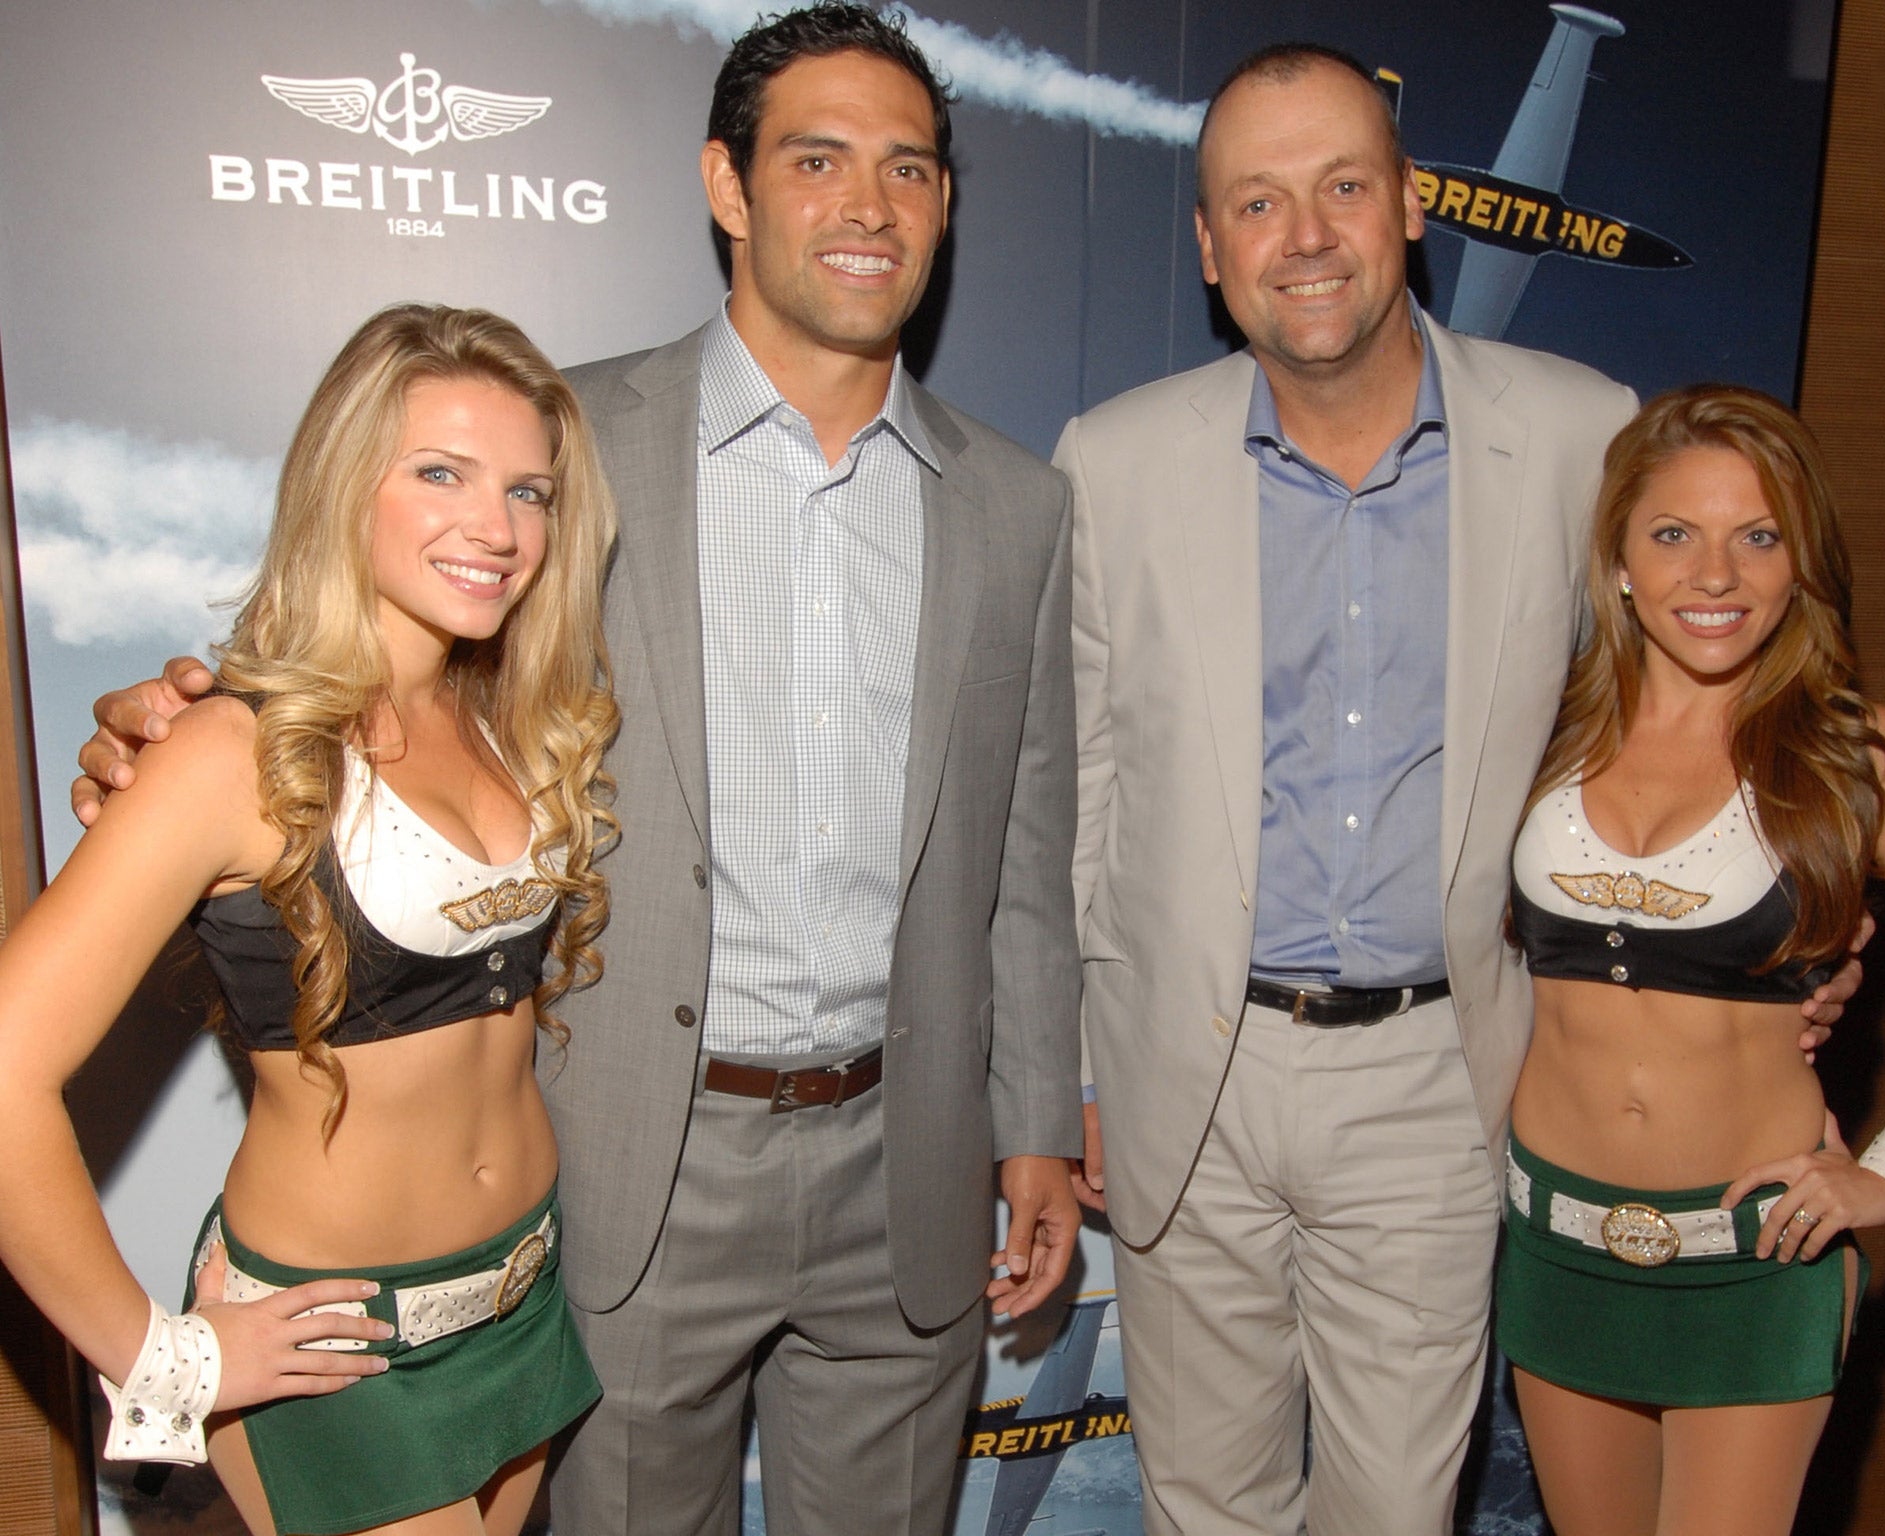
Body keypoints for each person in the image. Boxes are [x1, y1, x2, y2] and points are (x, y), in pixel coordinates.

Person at [72, 8, 1083, 1534]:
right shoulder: (556, 453)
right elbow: (365, 684)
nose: (871, 206)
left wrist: (1037, 1126)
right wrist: (164, 733)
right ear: (729, 190)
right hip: (629, 1172)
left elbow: (1023, 848)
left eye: (912, 169)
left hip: (912, 1166)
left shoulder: (1018, 507)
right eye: (818, 160)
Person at [1056, 43, 1859, 1536]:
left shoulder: (1578, 430)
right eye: (1259, 202)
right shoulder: (1113, 463)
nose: (1306, 237)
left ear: (1412, 203)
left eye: (1343, 187)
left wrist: (1806, 931)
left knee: (1395, 1510)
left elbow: (1716, 696)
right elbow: (1083, 793)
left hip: (1438, 1079)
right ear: (1211, 246)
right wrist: (1077, 1066)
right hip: (1184, 1075)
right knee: (1202, 1505)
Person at [0, 303, 617, 1536]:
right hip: (343, 1343)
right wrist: (163, 1357)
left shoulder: (509, 709)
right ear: (345, 486)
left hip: (522, 1293)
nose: (496, 530)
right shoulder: (229, 749)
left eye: (529, 491)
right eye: (440, 473)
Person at [1497, 384, 1885, 1535]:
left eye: (1757, 536)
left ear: (1800, 561)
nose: (1714, 574)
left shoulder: (1862, 754)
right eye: (1673, 534)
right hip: (1551, 1240)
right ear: (1620, 560)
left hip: (1753, 1258)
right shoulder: (1536, 733)